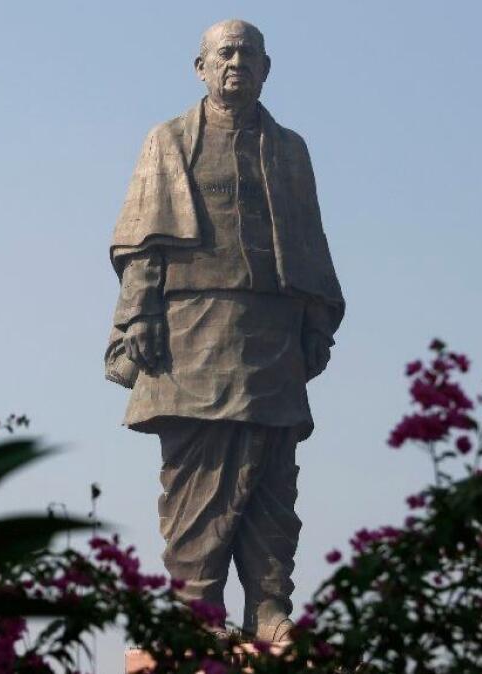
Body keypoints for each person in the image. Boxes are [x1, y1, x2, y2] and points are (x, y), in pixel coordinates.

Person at [104, 18, 343, 642]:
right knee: (196, 478)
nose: (236, 62)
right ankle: (197, 610)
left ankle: (268, 611)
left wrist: (315, 320)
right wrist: (140, 315)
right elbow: (142, 244)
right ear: (201, 66)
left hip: (271, 330)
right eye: (225, 52)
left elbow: (311, 243)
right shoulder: (170, 140)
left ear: (267, 68)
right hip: (192, 330)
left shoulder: (290, 149)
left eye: (248, 54)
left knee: (273, 476)